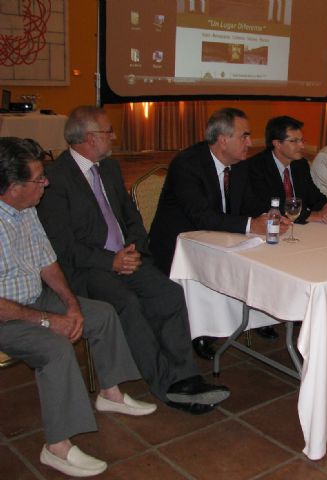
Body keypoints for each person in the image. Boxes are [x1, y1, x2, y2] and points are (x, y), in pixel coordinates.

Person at [36, 106, 230, 415]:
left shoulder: (109, 168)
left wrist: (135, 247)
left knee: (169, 293)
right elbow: (63, 246)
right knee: (126, 302)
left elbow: (130, 216)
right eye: (107, 131)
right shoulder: (55, 180)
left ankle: (187, 378)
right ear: (89, 138)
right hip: (88, 269)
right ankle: (167, 386)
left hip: (126, 257)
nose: (114, 136)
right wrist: (111, 261)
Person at [0, 137, 156, 477]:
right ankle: (57, 447)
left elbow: (48, 263)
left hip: (33, 299)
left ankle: (110, 393)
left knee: (99, 312)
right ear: (13, 187)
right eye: (39, 179)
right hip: (6, 315)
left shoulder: (26, 211)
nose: (47, 183)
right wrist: (47, 321)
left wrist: (70, 305)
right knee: (55, 347)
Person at [149, 107, 288, 346]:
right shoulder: (187, 164)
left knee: (264, 254)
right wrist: (250, 224)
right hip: (181, 242)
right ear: (223, 140)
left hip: (220, 235)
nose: (249, 142)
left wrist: (272, 216)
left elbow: (251, 202)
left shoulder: (240, 164)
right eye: (244, 136)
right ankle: (203, 331)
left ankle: (255, 317)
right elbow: (202, 216)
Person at [249, 115, 327, 224]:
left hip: (299, 228)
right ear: (277, 144)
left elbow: (313, 195)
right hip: (272, 228)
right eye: (294, 141)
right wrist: (313, 216)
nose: (302, 146)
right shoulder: (256, 166)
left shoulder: (300, 164)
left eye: (302, 140)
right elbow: (268, 205)